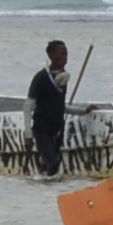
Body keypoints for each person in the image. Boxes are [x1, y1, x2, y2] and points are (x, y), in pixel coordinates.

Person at [25, 38, 72, 176]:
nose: (64, 58)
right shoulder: (40, 78)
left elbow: (60, 106)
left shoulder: (63, 78)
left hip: (57, 128)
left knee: (49, 166)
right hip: (42, 129)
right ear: (50, 55)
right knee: (53, 164)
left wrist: (82, 111)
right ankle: (45, 191)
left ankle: (43, 192)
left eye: (66, 54)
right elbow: (28, 107)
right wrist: (28, 136)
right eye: (60, 54)